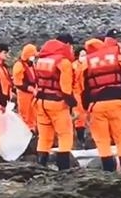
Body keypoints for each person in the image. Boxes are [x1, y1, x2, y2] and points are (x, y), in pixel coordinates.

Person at [77, 38, 121, 172]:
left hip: (96, 106)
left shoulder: (85, 63)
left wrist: (86, 112)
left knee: (102, 141)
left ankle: (108, 174)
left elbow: (83, 90)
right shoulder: (118, 58)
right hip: (118, 103)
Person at [33, 38, 77, 170]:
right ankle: (64, 169)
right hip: (57, 103)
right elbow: (65, 89)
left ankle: (40, 167)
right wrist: (73, 105)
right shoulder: (63, 62)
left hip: (41, 102)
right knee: (64, 135)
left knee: (44, 137)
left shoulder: (40, 61)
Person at [12, 44, 39, 130]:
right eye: (32, 55)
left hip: (33, 93)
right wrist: (31, 89)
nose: (34, 57)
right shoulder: (19, 65)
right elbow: (18, 83)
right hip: (24, 94)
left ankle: (33, 128)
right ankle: (25, 131)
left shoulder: (31, 64)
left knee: (34, 113)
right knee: (25, 114)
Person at [73, 47, 89, 147]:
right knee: (80, 115)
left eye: (85, 55)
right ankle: (80, 138)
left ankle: (84, 137)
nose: (84, 57)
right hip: (76, 92)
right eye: (82, 55)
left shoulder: (88, 65)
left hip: (85, 92)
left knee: (87, 115)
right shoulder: (74, 66)